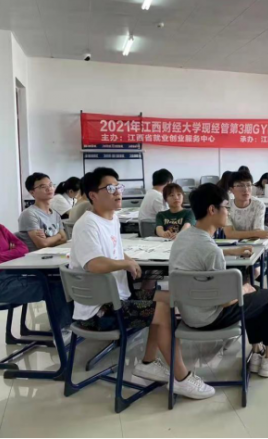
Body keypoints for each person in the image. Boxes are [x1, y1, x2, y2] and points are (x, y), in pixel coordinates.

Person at [69, 167, 214, 399]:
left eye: (118, 186)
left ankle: (147, 363)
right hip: (100, 310)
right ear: (93, 195)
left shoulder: (111, 219)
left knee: (170, 298)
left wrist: (128, 259)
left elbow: (113, 251)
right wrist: (124, 264)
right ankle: (181, 378)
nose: (118, 192)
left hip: (117, 298)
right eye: (110, 188)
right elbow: (93, 264)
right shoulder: (87, 224)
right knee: (162, 311)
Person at [170, 183, 268, 378]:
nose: (228, 211)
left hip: (189, 314)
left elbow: (202, 254)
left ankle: (257, 352)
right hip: (210, 318)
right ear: (212, 210)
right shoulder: (211, 251)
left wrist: (231, 251)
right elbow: (225, 300)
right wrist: (244, 290)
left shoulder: (183, 237)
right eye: (226, 207)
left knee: (254, 292)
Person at [0, 190, 72, 331]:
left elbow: (23, 248)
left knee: (65, 281)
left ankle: (74, 325)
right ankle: (63, 331)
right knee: (56, 288)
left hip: (17, 275)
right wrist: (10, 253)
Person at [17, 173, 67, 251]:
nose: (49, 189)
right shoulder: (29, 214)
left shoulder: (55, 214)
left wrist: (49, 239)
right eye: (43, 186)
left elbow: (64, 239)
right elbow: (42, 244)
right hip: (35, 257)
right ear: (32, 192)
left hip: (53, 253)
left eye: (50, 185)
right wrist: (58, 236)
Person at [224, 171, 268, 240]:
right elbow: (229, 234)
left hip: (254, 243)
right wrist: (255, 233)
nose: (246, 189)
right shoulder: (226, 207)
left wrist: (236, 234)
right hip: (233, 244)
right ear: (231, 190)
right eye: (240, 185)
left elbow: (258, 234)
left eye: (249, 185)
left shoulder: (258, 205)